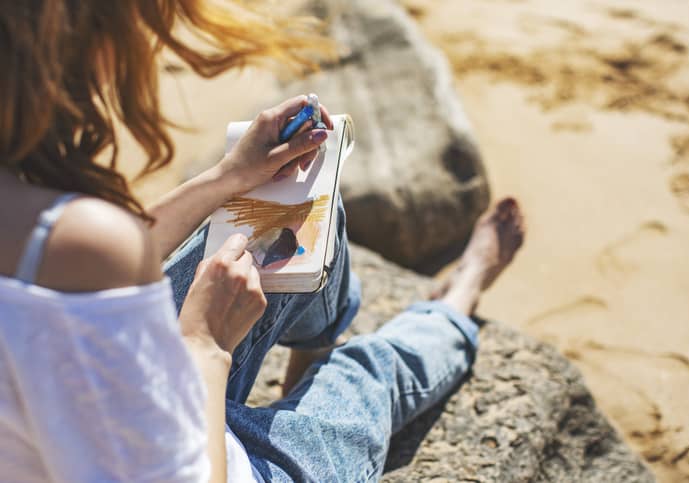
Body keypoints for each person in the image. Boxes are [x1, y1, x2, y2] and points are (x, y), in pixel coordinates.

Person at [0, 1, 525, 482]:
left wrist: (227, 176)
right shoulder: (85, 245)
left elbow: (82, 262)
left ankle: (312, 347)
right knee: (370, 374)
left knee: (302, 208)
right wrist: (205, 341)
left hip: (122, 419)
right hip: (215, 455)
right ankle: (459, 298)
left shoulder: (60, 239)